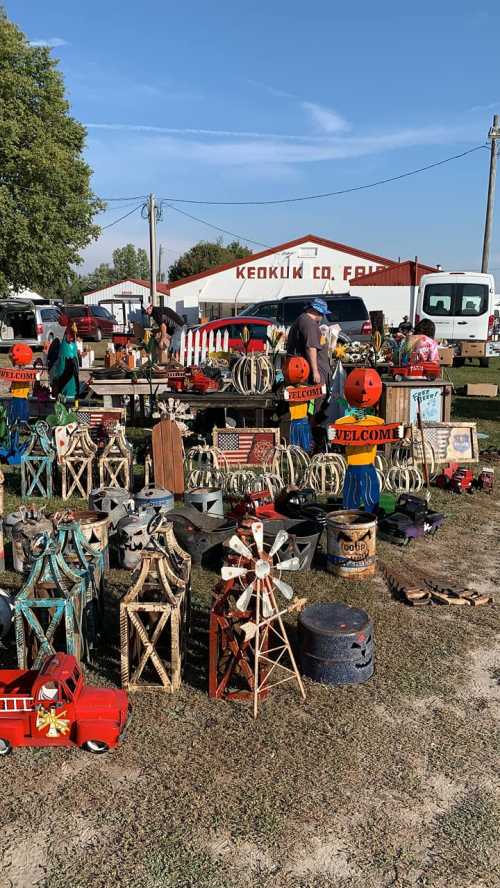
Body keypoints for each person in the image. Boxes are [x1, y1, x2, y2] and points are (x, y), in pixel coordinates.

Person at [286, 298, 331, 385]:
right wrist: (315, 371)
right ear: (316, 311)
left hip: (305, 369)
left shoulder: (303, 319)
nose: (323, 317)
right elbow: (311, 347)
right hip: (309, 371)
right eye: (322, 314)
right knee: (317, 396)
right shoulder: (309, 323)